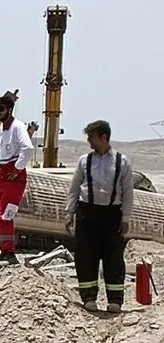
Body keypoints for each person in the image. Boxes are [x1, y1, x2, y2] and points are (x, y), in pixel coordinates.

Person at [64, 120, 134, 313]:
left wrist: (126, 218)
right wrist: (69, 213)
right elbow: (74, 189)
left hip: (112, 215)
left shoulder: (122, 162)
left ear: (104, 137)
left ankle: (115, 300)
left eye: (91, 137)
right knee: (86, 256)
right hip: (87, 213)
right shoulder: (84, 161)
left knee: (113, 257)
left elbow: (128, 192)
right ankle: (88, 297)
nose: (89, 141)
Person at [0, 94, 34, 264]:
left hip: (13, 178)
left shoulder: (18, 127)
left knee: (5, 215)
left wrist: (17, 168)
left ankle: (9, 253)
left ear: (9, 109)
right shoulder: (2, 130)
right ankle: (4, 250)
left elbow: (28, 147)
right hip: (2, 175)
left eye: (0, 109)